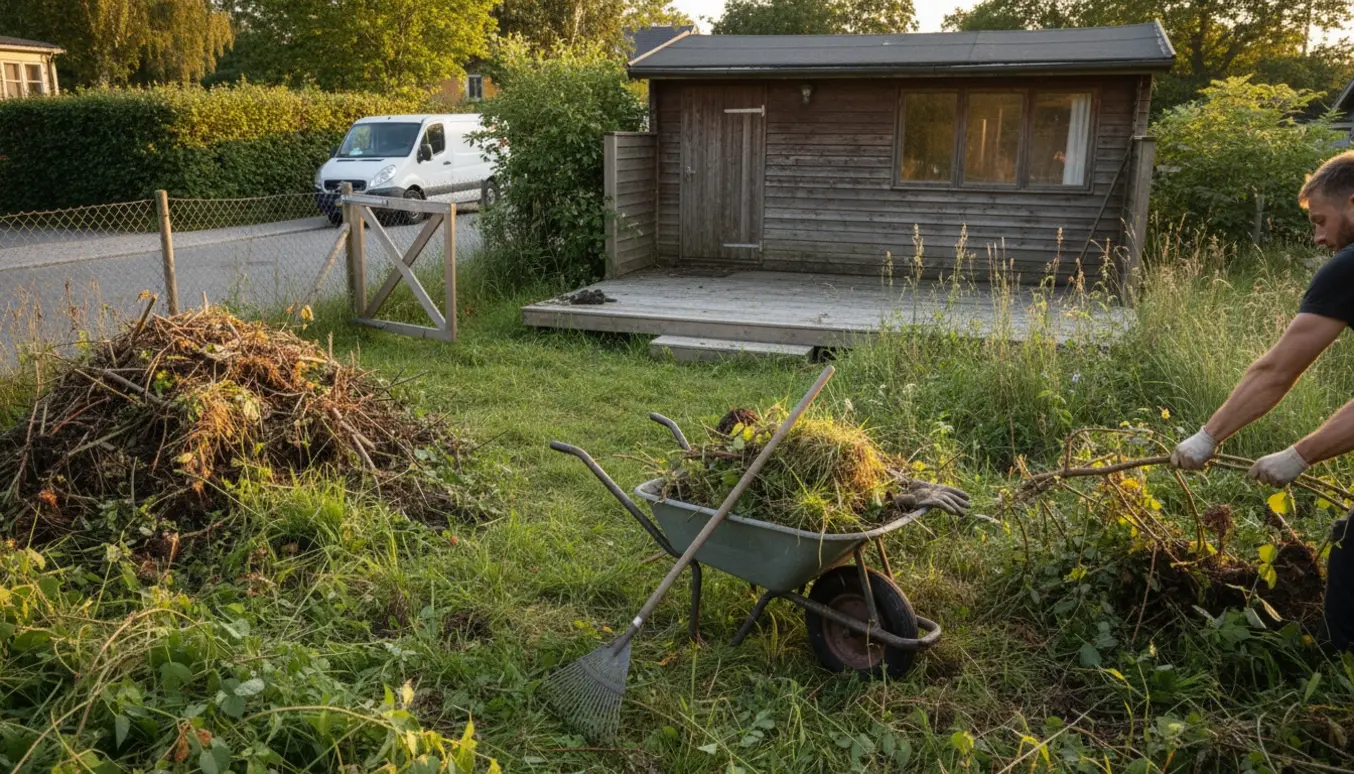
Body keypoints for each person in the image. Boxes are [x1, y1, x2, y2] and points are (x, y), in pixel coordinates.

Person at [1171, 151, 1354, 651]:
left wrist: (1210, 438)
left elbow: (1276, 370)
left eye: (1320, 221)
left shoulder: (1350, 267)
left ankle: (1335, 676)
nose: (1318, 238)